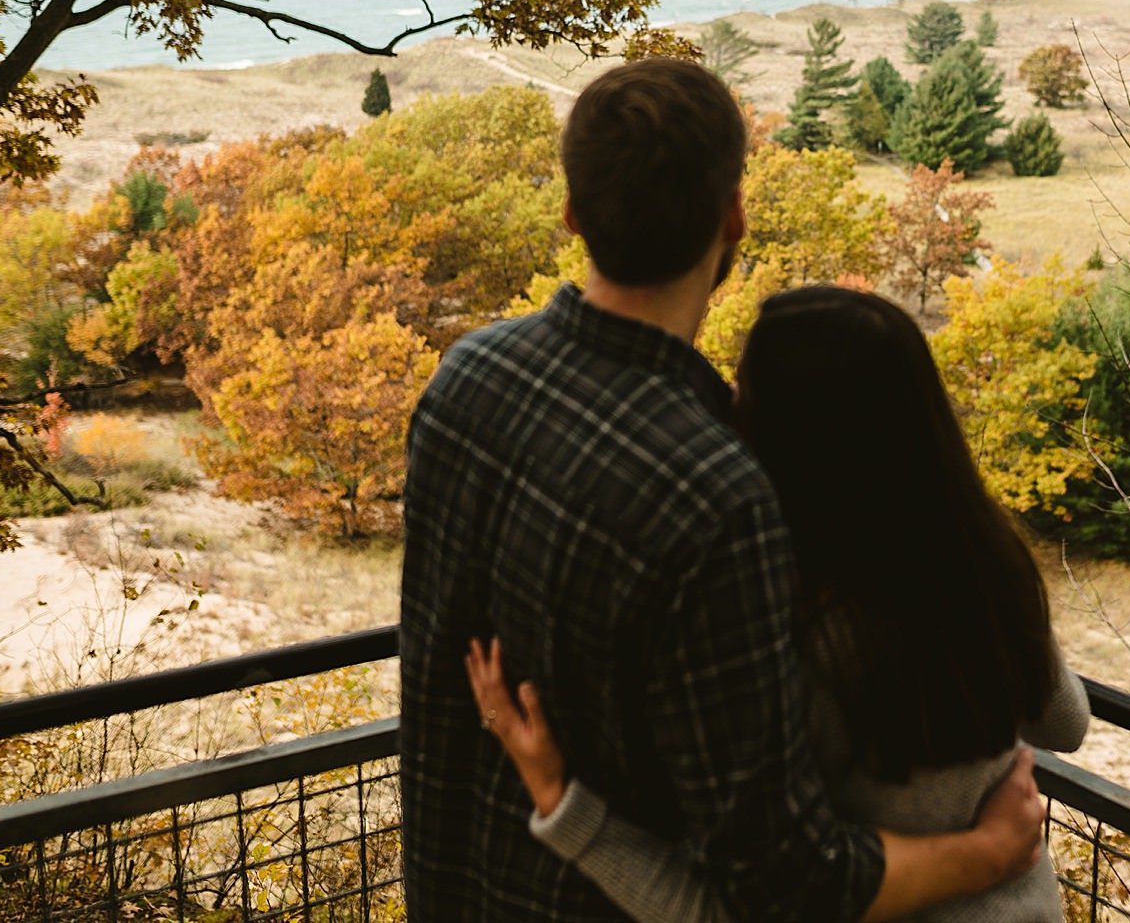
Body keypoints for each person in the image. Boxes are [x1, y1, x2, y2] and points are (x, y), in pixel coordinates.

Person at [400, 58, 1046, 923]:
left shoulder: (465, 380)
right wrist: (989, 853)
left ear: (572, 214)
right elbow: (782, 881)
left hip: (452, 890)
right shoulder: (716, 494)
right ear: (733, 214)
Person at [469, 285, 1090, 923]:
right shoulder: (987, 570)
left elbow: (736, 909)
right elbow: (1066, 725)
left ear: (788, 435)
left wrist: (558, 800)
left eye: (744, 386)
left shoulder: (799, 640)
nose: (728, 401)